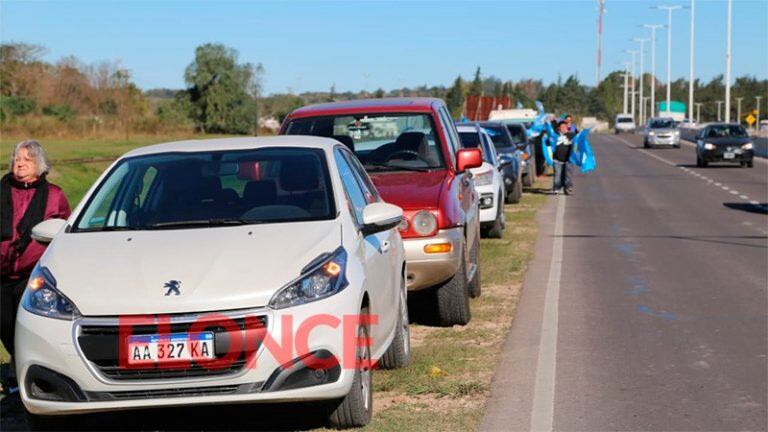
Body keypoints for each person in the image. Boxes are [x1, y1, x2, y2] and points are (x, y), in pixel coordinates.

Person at [1, 140, 71, 361]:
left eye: (27, 160)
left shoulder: (54, 195)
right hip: (2, 271)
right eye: (17, 159)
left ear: (39, 164)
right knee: (4, 323)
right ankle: (18, 360)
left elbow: (64, 233)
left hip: (33, 272)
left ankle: (19, 370)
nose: (20, 164)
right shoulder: (2, 190)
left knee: (25, 323)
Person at [552, 121, 574, 195]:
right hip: (557, 159)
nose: (564, 128)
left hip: (568, 159)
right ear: (559, 128)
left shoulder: (571, 135)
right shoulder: (555, 136)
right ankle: (556, 187)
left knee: (567, 175)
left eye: (565, 127)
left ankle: (568, 187)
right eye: (562, 127)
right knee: (558, 174)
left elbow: (577, 142)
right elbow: (549, 142)